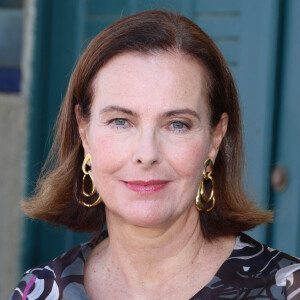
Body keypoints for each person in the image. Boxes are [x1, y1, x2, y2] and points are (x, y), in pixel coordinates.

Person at [10, 10, 300, 300]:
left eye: (177, 125)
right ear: (84, 131)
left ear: (216, 138)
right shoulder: (38, 290)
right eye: (120, 121)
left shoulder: (288, 290)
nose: (147, 154)